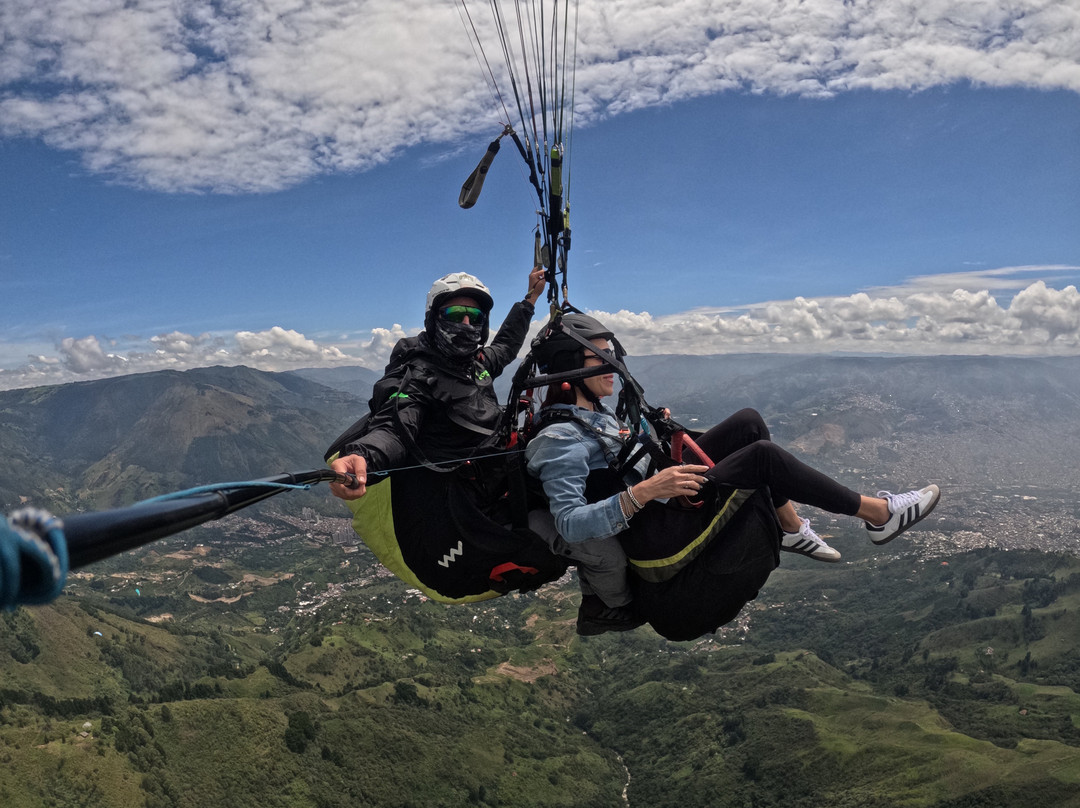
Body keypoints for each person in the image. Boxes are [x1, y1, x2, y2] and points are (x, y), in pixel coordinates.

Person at [525, 313, 941, 637]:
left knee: (749, 424)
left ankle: (791, 527)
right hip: (650, 537)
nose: (614, 367)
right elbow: (569, 523)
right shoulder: (560, 439)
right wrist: (647, 492)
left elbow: (624, 463)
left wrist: (664, 442)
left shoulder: (594, 414)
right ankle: (879, 515)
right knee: (762, 457)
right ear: (569, 365)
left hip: (659, 502)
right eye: (602, 358)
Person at [329, 266, 545, 499]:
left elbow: (506, 345)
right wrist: (363, 457)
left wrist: (530, 299)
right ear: (434, 319)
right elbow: (395, 428)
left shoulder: (477, 364)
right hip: (458, 505)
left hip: (495, 484)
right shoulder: (417, 375)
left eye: (475, 317)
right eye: (454, 314)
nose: (465, 323)